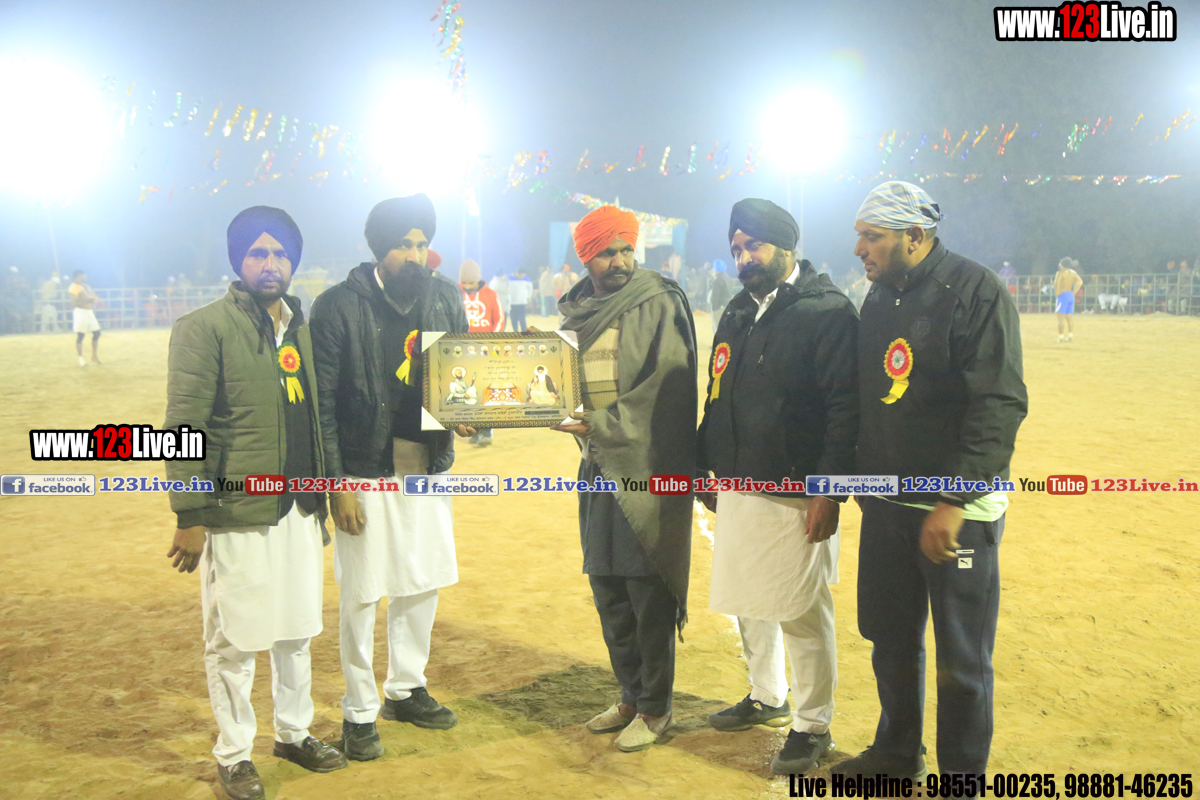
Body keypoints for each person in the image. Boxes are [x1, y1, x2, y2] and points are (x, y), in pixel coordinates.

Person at [836, 181, 1027, 780]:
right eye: (860, 236)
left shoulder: (975, 291)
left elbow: (998, 404)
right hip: (887, 506)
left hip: (955, 513)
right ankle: (897, 755)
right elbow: (868, 400)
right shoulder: (877, 298)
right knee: (889, 637)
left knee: (961, 659)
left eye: (873, 237)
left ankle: (962, 782)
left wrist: (954, 499)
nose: (860, 249)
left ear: (915, 236)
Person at [164, 206, 347, 800]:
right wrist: (191, 513)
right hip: (235, 511)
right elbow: (184, 425)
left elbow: (317, 415)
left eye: (280, 253)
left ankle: (293, 733)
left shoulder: (302, 327)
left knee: (296, 630)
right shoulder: (203, 328)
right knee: (236, 639)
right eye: (257, 253)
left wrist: (326, 491)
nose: (271, 264)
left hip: (299, 508)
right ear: (238, 261)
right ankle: (234, 754)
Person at [697, 200, 858, 775]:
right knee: (750, 598)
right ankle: (767, 695)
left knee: (801, 608)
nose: (744, 258)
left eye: (754, 246)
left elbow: (845, 409)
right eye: (736, 249)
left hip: (796, 491)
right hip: (739, 482)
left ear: (786, 246)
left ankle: (813, 723)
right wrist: (706, 462)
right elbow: (717, 390)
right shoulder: (739, 309)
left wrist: (830, 491)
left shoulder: (828, 311)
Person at [309, 194, 472, 762]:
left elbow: (463, 372)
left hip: (427, 463)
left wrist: (470, 414)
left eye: (422, 243)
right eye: (404, 244)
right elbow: (322, 405)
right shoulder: (336, 307)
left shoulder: (445, 296)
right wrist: (337, 484)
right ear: (380, 249)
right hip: (363, 467)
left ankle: (406, 687)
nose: (416, 254)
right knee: (362, 592)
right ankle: (358, 711)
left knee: (421, 579)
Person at [554, 205, 697, 752]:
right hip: (598, 465)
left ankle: (657, 707)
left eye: (626, 250)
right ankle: (631, 695)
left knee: (645, 588)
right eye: (606, 252)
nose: (619, 261)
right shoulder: (577, 314)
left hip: (647, 465)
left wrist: (604, 422)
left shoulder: (657, 299)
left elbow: (670, 388)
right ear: (585, 257)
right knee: (607, 584)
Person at [458, 259, 503, 445]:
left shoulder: (491, 295)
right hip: (462, 353)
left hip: (485, 353)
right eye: (464, 282)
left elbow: (499, 319)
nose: (467, 286)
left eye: (471, 283)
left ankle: (486, 431)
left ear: (478, 280)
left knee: (486, 392)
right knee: (468, 393)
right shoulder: (455, 293)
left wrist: (490, 343)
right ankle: (474, 431)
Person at [69, 270, 102, 366]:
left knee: (97, 333)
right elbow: (75, 302)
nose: (85, 276)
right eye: (84, 275)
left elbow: (92, 296)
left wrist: (92, 299)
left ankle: (94, 355)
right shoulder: (74, 287)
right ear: (79, 276)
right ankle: (81, 359)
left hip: (89, 312)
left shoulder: (86, 286)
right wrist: (89, 300)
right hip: (81, 312)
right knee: (81, 336)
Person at [1054, 257, 1083, 341]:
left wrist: (1057, 294)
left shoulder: (1060, 273)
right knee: (1069, 318)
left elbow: (1056, 284)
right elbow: (1080, 282)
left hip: (1062, 295)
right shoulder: (1073, 272)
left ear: (1061, 264)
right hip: (1070, 295)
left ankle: (1061, 337)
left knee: (1060, 318)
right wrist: (1074, 292)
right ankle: (1070, 336)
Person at [709, 259, 735, 325]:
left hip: (719, 307)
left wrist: (714, 309)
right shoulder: (727, 277)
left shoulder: (717, 280)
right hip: (728, 305)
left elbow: (715, 296)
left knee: (718, 326)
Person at [508, 267, 534, 332]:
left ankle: (524, 331)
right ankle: (515, 331)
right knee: (514, 318)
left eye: (523, 275)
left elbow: (530, 288)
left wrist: (529, 297)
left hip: (522, 302)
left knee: (522, 318)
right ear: (517, 273)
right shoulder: (509, 278)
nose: (522, 276)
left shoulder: (526, 279)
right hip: (512, 302)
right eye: (521, 275)